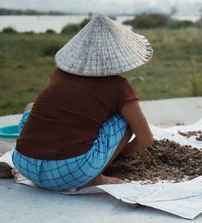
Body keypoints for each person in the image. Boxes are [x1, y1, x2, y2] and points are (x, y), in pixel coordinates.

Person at [12, 14, 154, 191]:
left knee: (32, 107)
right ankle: (94, 177)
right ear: (119, 57)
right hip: (70, 174)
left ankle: (68, 164)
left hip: (25, 165)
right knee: (125, 121)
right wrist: (119, 154)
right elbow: (145, 139)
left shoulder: (60, 74)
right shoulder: (119, 87)